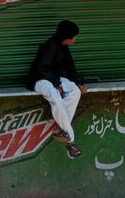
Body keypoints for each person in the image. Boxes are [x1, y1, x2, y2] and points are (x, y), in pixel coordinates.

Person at [27, 20, 87, 159]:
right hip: (40, 81)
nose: (75, 39)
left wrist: (79, 83)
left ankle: (62, 129)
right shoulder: (50, 46)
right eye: (75, 37)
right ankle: (71, 141)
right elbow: (41, 69)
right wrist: (56, 85)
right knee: (56, 97)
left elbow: (70, 66)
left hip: (54, 79)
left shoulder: (63, 46)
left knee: (75, 91)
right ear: (67, 39)